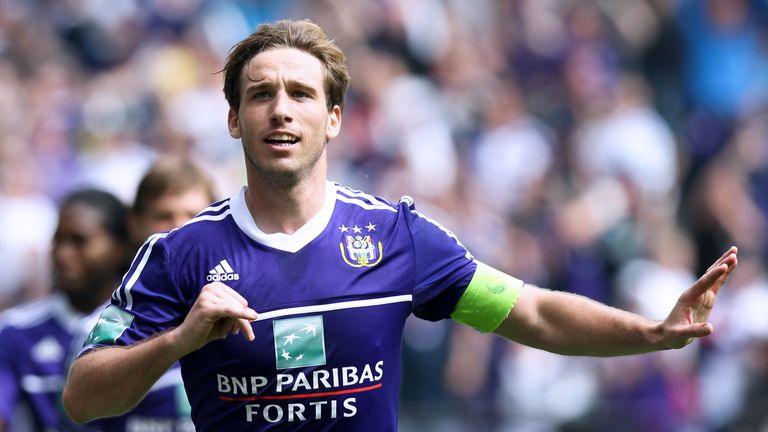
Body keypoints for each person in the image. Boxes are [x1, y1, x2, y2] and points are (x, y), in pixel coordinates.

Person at [62, 19, 738, 431]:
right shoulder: (179, 254)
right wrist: (179, 340)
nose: (280, 110)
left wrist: (650, 332)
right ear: (235, 120)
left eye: (301, 94)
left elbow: (529, 313)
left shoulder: (397, 238)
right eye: (260, 94)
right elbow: (83, 397)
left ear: (334, 119)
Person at [67, 156, 218, 431]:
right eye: (164, 216)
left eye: (194, 216)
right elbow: (78, 409)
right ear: (135, 224)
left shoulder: (249, 313)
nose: (179, 229)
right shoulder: (97, 334)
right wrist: (176, 340)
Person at [0, 189, 129, 431]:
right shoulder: (15, 331)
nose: (62, 254)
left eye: (79, 241)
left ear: (118, 249)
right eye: (58, 240)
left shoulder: (145, 328)